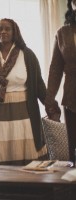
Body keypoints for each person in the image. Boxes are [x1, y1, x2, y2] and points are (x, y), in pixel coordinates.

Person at [0, 18, 47, 166]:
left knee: (27, 157)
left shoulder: (28, 55)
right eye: (0, 29)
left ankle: (28, 186)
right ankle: (0, 188)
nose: (3, 31)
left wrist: (51, 107)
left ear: (14, 32)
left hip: (24, 114)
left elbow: (39, 85)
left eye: (7, 29)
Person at [45, 0, 76, 164]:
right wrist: (49, 99)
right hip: (71, 97)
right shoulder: (63, 33)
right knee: (74, 147)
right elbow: (55, 69)